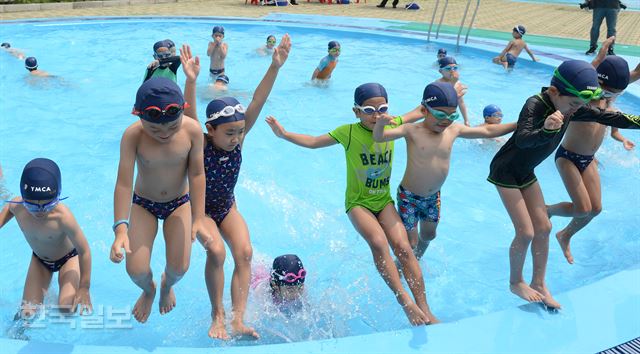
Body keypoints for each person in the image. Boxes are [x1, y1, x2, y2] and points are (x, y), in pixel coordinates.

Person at [266, 82, 437, 325]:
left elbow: (422, 110)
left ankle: (425, 308)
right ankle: (406, 303)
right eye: (368, 110)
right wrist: (284, 134)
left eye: (382, 109)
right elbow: (314, 141)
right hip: (358, 204)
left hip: (383, 201)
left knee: (405, 248)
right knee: (379, 243)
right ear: (356, 111)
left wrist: (448, 86)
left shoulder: (392, 125)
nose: (376, 115)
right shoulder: (348, 132)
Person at [487, 60, 639, 309]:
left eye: (579, 105)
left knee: (544, 227)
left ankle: (539, 284)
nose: (576, 110)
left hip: (525, 171)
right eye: (573, 104)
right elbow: (523, 140)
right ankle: (516, 282)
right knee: (526, 231)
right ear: (556, 92)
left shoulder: (571, 106)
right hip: (505, 171)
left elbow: (608, 116)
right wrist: (547, 130)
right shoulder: (535, 104)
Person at [180, 36, 290, 339]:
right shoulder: (199, 142)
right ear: (210, 129)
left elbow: (257, 100)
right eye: (229, 133)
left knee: (244, 252)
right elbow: (189, 115)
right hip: (199, 210)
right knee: (216, 254)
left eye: (240, 132)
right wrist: (191, 81)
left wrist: (274, 67)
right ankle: (217, 315)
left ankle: (238, 319)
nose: (236, 138)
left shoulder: (238, 139)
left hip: (226, 206)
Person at [109, 71, 213, 323]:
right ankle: (149, 289)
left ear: (182, 112)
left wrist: (198, 218)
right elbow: (124, 183)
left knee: (180, 267)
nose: (164, 132)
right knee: (136, 269)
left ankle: (166, 285)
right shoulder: (133, 136)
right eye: (155, 127)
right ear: (138, 115)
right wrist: (120, 229)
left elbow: (198, 175)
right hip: (144, 204)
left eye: (171, 125)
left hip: (179, 203)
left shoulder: (192, 131)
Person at [373, 82, 515, 260]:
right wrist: (380, 124)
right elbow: (379, 138)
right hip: (409, 197)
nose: (446, 120)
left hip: (433, 197)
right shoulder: (411, 130)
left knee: (429, 236)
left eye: (452, 115)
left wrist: (518, 124)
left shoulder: (453, 130)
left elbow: (487, 131)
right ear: (424, 111)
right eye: (440, 114)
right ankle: (404, 265)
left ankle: (416, 259)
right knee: (411, 241)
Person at [546, 54, 634, 264]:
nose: (609, 95)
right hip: (568, 157)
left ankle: (565, 235)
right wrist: (596, 61)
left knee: (595, 209)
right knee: (582, 209)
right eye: (606, 91)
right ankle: (547, 210)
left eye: (614, 93)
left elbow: (630, 78)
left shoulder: (608, 99)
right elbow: (576, 77)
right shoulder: (581, 99)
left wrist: (621, 138)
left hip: (589, 159)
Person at [0, 158, 92, 320]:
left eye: (48, 205)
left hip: (68, 260)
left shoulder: (63, 217)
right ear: (23, 198)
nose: (40, 211)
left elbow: (84, 250)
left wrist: (84, 287)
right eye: (32, 206)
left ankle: (69, 287)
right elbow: (9, 206)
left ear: (58, 196)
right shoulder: (18, 206)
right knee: (26, 314)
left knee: (66, 309)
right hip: (40, 261)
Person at [436, 57, 470, 126]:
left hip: (450, 116)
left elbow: (461, 102)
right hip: (439, 117)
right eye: (448, 68)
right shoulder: (437, 84)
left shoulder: (457, 83)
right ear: (440, 71)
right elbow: (444, 101)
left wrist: (466, 120)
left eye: (455, 68)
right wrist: (453, 82)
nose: (452, 71)